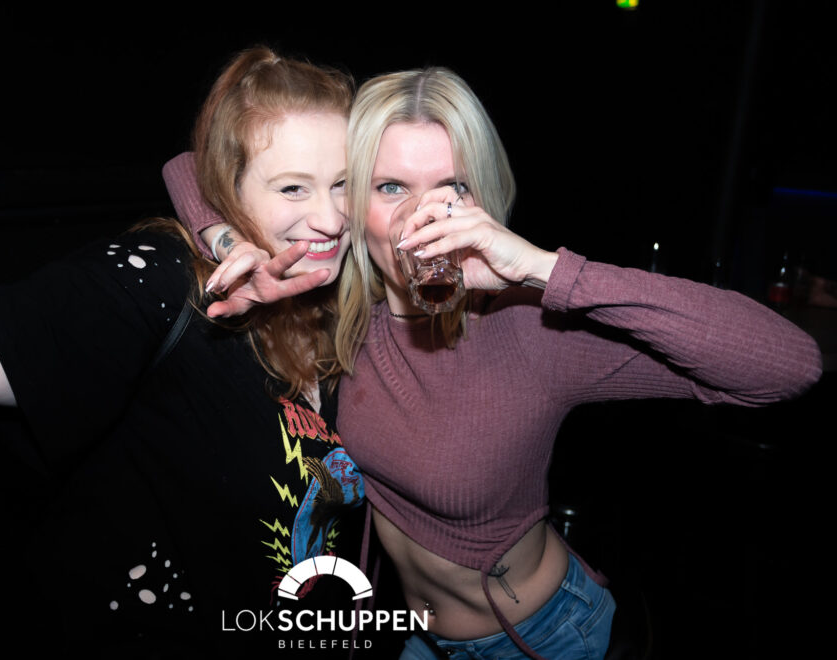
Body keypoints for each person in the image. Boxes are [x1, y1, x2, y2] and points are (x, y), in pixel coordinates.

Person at [165, 67, 823, 659]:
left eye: (451, 187)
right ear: (351, 198)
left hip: (541, 637)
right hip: (412, 633)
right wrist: (225, 236)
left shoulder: (529, 325)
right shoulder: (341, 305)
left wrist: (544, 270)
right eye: (390, 186)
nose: (421, 217)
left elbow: (789, 364)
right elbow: (190, 166)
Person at [0, 8, 370, 656]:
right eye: (293, 188)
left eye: (343, 184)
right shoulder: (163, 280)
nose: (331, 218)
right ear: (227, 189)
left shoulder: (356, 306)